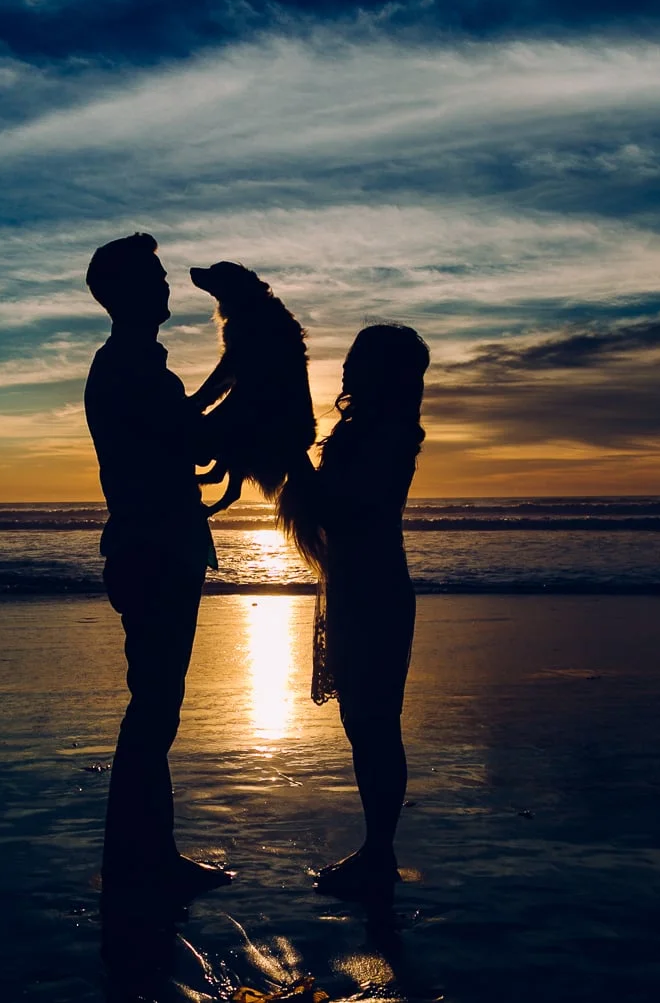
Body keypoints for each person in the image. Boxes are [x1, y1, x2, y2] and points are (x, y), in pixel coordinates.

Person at [83, 232, 231, 896]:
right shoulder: (131, 369)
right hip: (157, 549)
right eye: (156, 276)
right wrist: (246, 378)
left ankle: (146, 854)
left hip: (151, 547)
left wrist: (232, 374)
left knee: (155, 706)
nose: (169, 284)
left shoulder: (135, 367)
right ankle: (141, 860)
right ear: (129, 292)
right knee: (153, 710)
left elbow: (185, 432)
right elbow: (193, 437)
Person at [280, 323, 430, 897]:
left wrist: (292, 460)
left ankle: (379, 853)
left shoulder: (389, 435)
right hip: (356, 582)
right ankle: (377, 849)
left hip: (373, 586)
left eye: (357, 361)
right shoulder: (366, 430)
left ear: (380, 372)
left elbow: (344, 509)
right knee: (364, 724)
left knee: (374, 724)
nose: (344, 370)